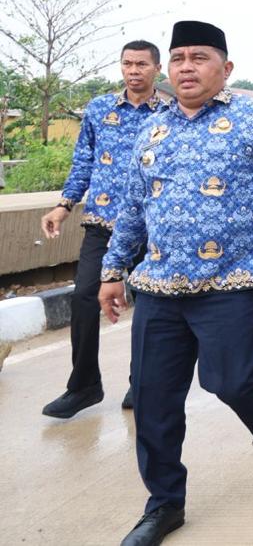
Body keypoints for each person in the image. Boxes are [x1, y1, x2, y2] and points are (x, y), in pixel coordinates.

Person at [99, 21, 253, 546]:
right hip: (159, 287)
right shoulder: (151, 132)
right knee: (153, 400)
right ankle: (164, 505)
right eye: (178, 58)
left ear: (226, 68)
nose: (186, 67)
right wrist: (113, 271)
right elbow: (133, 208)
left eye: (199, 57)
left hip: (235, 280)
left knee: (231, 381)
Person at [40, 40, 169, 419]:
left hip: (150, 225)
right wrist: (64, 205)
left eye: (142, 64)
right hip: (101, 222)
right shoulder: (99, 109)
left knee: (148, 303)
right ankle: (84, 386)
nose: (134, 70)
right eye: (128, 63)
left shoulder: (170, 113)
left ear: (156, 69)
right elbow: (83, 161)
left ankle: (141, 383)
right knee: (83, 297)